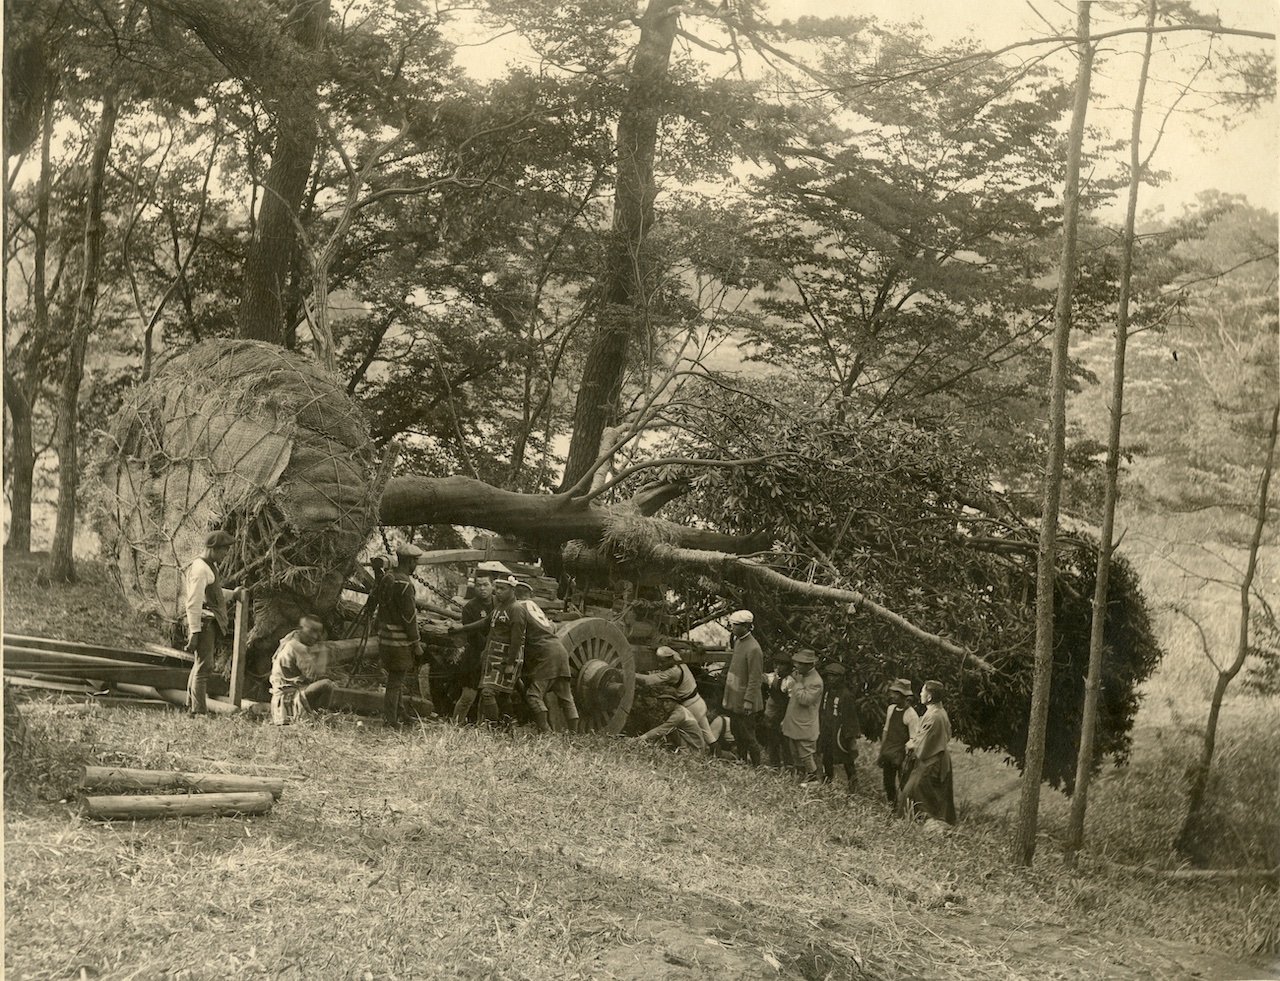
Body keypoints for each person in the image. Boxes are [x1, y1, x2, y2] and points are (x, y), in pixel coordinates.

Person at [183, 529, 245, 715]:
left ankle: (191, 706)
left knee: (200, 664)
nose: (226, 554)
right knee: (205, 666)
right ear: (213, 549)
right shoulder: (201, 570)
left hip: (206, 622)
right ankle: (199, 711)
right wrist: (194, 631)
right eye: (224, 550)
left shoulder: (209, 567)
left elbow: (213, 595)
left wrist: (233, 594)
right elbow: (193, 602)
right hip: (203, 623)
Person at [513, 580, 581, 733]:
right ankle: (574, 734)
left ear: (515, 594)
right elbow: (552, 626)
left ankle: (546, 731)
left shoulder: (518, 608)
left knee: (533, 695)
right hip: (559, 650)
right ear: (529, 594)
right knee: (566, 697)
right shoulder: (534, 607)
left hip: (545, 654)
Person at [371, 543, 423, 729]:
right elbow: (409, 618)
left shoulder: (388, 577)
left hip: (385, 638)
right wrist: (416, 643)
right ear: (410, 561)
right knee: (395, 682)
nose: (416, 564)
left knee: (396, 678)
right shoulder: (405, 584)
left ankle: (401, 712)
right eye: (416, 561)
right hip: (399, 642)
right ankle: (391, 720)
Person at [447, 564, 500, 723]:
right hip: (476, 656)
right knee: (468, 696)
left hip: (495, 655)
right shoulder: (470, 607)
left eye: (486, 585)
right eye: (479, 585)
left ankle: (483, 726)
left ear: (493, 586)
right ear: (474, 587)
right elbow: (472, 635)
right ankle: (455, 725)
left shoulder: (499, 603)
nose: (482, 589)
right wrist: (488, 647)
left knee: (487, 697)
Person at [900, 679, 957, 826]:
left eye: (923, 691)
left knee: (912, 791)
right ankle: (928, 823)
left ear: (929, 697)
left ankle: (926, 824)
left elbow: (921, 743)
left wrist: (911, 744)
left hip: (931, 760)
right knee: (930, 795)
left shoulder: (934, 716)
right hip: (936, 757)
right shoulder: (939, 712)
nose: (920, 694)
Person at [474, 575, 527, 725]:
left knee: (488, 693)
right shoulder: (500, 607)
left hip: (507, 658)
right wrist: (462, 628)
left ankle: (494, 725)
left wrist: (510, 663)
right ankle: (510, 724)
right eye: (497, 588)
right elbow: (486, 623)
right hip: (494, 656)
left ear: (512, 589)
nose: (498, 591)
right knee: (503, 695)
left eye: (502, 588)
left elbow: (517, 639)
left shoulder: (516, 609)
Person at [635, 646, 712, 747]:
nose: (659, 665)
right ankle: (718, 755)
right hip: (698, 701)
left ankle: (697, 754)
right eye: (658, 662)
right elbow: (672, 652)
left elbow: (648, 680)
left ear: (670, 659)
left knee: (679, 731)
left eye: (662, 662)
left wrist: (628, 673)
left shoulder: (673, 672)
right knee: (709, 736)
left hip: (690, 706)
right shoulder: (678, 660)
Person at [269, 614, 336, 725]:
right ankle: (319, 721)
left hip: (280, 696)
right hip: (290, 698)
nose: (317, 636)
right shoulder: (297, 647)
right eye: (312, 631)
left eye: (320, 632)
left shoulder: (288, 640)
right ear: (300, 629)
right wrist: (323, 655)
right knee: (326, 685)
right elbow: (315, 676)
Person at [722, 609, 764, 765]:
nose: (732, 628)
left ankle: (756, 765)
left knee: (748, 734)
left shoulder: (754, 649)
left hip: (746, 701)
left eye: (735, 625)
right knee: (736, 731)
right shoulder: (739, 641)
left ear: (746, 627)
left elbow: (755, 678)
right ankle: (741, 758)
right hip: (734, 698)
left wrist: (748, 701)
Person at [780, 648, 824, 782]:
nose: (796, 666)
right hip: (795, 723)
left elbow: (804, 700)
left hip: (805, 725)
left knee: (806, 754)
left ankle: (814, 779)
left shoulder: (816, 681)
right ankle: (801, 777)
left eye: (800, 663)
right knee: (795, 752)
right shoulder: (801, 675)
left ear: (809, 665)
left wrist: (796, 685)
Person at [876, 678, 921, 806]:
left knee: (904, 784)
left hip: (902, 754)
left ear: (905, 696)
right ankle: (892, 806)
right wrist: (882, 751)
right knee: (888, 782)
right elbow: (886, 730)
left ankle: (909, 810)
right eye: (893, 692)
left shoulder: (911, 715)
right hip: (889, 751)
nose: (894, 696)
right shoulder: (891, 709)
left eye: (897, 694)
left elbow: (914, 739)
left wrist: (908, 759)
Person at [817, 661, 860, 793]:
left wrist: (850, 737)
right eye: (829, 676)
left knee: (847, 759)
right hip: (827, 729)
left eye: (834, 676)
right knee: (827, 756)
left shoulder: (845, 695)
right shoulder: (827, 692)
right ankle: (827, 781)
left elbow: (850, 718)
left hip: (840, 732)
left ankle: (853, 785)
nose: (831, 679)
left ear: (841, 678)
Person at [637, 692, 704, 752]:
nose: (664, 704)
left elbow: (662, 729)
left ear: (675, 701)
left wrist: (641, 738)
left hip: (693, 749)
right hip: (691, 745)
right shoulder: (678, 710)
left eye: (668, 701)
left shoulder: (678, 714)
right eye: (663, 702)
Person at [759, 652, 793, 768]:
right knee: (772, 739)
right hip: (772, 714)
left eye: (781, 665)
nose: (778, 667)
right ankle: (774, 764)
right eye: (776, 664)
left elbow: (791, 702)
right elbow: (762, 677)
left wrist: (786, 719)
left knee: (785, 741)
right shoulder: (771, 677)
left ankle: (789, 765)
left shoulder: (789, 682)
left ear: (787, 667)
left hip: (783, 713)